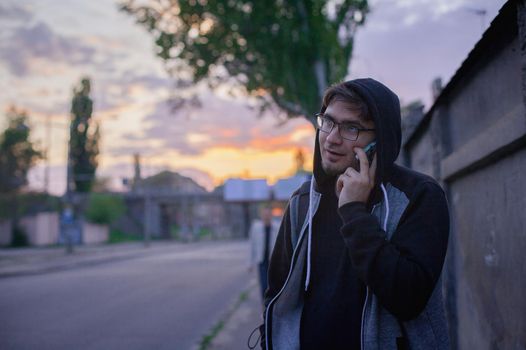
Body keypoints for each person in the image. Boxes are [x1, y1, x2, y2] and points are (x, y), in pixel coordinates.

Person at [261, 78, 450, 350]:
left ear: (379, 140)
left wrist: (354, 212)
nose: (332, 138)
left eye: (351, 128)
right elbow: (277, 294)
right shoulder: (302, 202)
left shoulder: (419, 196)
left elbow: (409, 298)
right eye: (328, 122)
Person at [249, 206, 280, 300]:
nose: (266, 216)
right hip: (262, 260)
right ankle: (265, 306)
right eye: (264, 214)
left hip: (273, 261)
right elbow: (252, 245)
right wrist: (250, 263)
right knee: (263, 285)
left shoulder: (277, 227)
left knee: (273, 285)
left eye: (268, 214)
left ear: (271, 215)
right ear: (261, 216)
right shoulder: (256, 227)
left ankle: (271, 305)